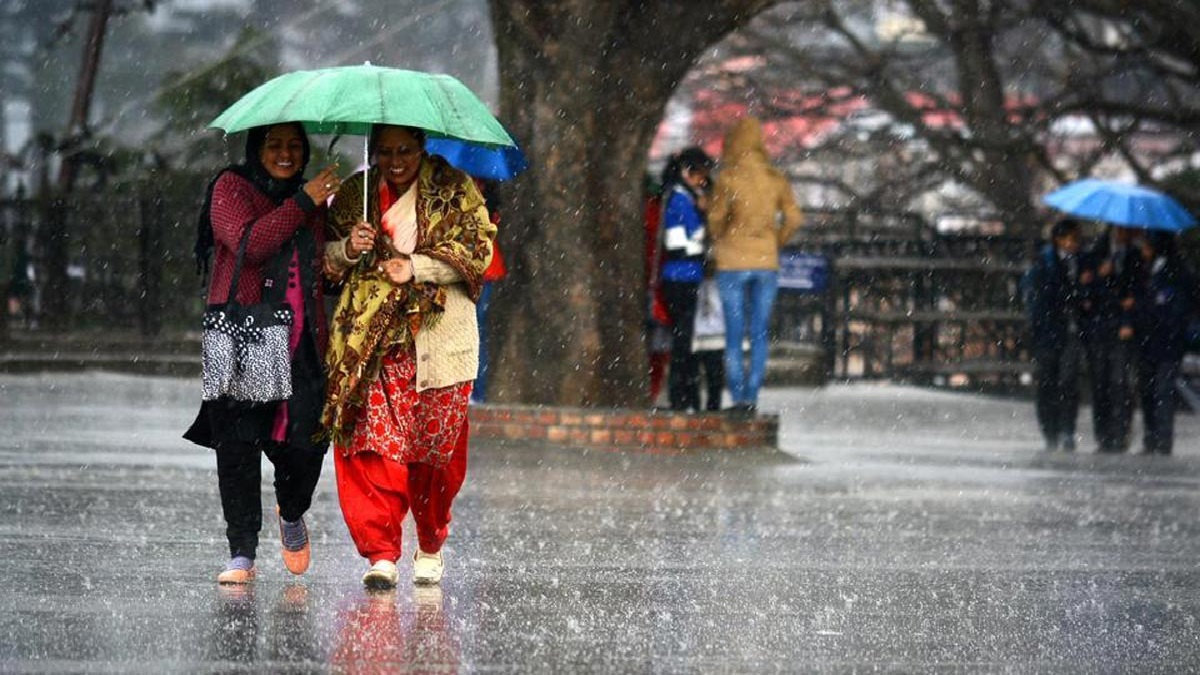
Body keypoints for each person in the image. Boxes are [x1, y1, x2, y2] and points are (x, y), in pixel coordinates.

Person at [322, 124, 495, 589]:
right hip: (372, 342)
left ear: (422, 146)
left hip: (440, 339)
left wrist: (416, 266)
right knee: (371, 443)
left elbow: (478, 251)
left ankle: (431, 541)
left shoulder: (454, 188)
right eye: (385, 152)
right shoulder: (356, 194)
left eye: (405, 151)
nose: (395, 162)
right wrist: (349, 248)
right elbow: (325, 261)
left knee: (434, 454)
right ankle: (381, 553)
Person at [184, 122, 342, 585]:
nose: (285, 154)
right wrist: (304, 202)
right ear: (257, 148)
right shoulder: (231, 187)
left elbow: (324, 273)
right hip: (242, 330)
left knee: (306, 442)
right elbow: (249, 244)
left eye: (294, 145)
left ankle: (291, 510)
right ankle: (242, 551)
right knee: (238, 444)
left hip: (301, 340)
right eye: (275, 145)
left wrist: (349, 251)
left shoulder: (311, 199)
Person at [706, 117, 804, 413]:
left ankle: (738, 398)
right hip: (765, 261)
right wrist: (775, 241)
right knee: (759, 333)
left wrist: (721, 235)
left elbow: (716, 219)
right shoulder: (775, 178)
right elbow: (794, 218)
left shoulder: (728, 178)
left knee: (734, 335)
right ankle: (752, 396)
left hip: (732, 261)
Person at [658, 147, 714, 412]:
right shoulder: (679, 200)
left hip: (685, 275)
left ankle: (684, 394)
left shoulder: (682, 197)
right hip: (681, 276)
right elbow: (680, 243)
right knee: (683, 340)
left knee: (684, 338)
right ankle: (681, 395)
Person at [1023, 218, 1085, 451]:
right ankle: (1050, 430)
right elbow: (1038, 297)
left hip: (1072, 330)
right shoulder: (1044, 263)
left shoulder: (1081, 262)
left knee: (1068, 381)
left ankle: (1067, 429)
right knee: (1047, 381)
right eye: (1070, 238)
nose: (1074, 243)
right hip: (1048, 330)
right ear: (1059, 239)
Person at [1133, 231, 1197, 455]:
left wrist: (1157, 308)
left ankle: (1163, 439)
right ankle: (1151, 437)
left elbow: (1179, 306)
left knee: (1163, 390)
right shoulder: (1145, 269)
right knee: (1148, 391)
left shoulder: (1177, 272)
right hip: (1147, 340)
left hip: (1167, 341)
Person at [1078, 225, 1141, 452]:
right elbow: (1085, 293)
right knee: (1100, 382)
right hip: (1099, 327)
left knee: (1119, 383)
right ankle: (1103, 435)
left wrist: (1128, 315)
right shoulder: (1096, 254)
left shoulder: (1134, 256)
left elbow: (1137, 290)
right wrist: (1099, 277)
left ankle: (1120, 433)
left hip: (1121, 327)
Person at [472, 180, 506, 404]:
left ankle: (475, 391)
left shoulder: (483, 194)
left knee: (475, 330)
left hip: (481, 268)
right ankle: (474, 391)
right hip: (478, 267)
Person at [691, 276, 726, 411]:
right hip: (699, 337)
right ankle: (696, 405)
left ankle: (711, 407)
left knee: (714, 376)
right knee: (697, 375)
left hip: (714, 337)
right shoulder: (696, 283)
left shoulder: (721, 284)